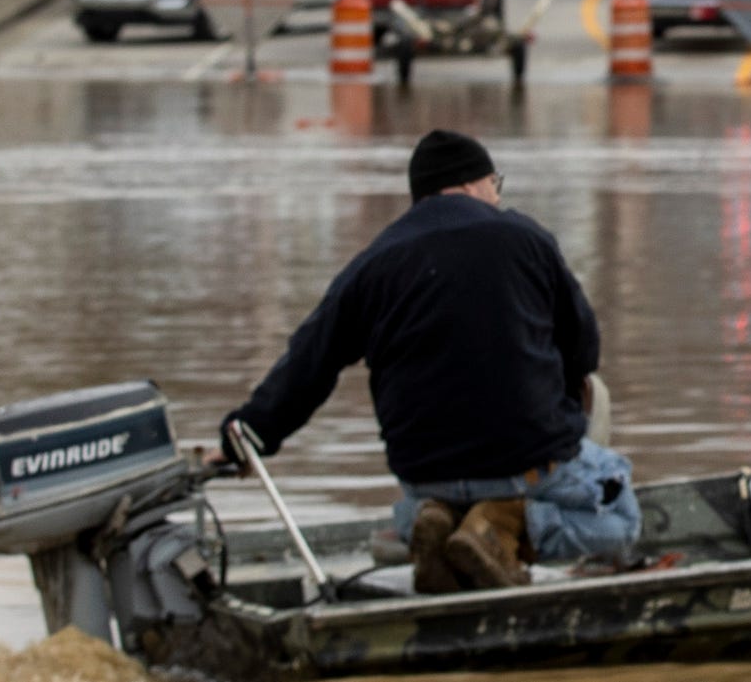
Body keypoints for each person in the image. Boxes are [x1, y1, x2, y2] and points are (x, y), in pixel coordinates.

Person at [224, 130, 637, 590]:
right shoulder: (527, 237)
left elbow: (308, 363)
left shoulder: (372, 262)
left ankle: (435, 521)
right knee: (622, 517)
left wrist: (251, 434)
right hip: (527, 463)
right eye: (494, 184)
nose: (497, 197)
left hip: (426, 474)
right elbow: (584, 350)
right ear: (471, 184)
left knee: (419, 507)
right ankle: (505, 525)